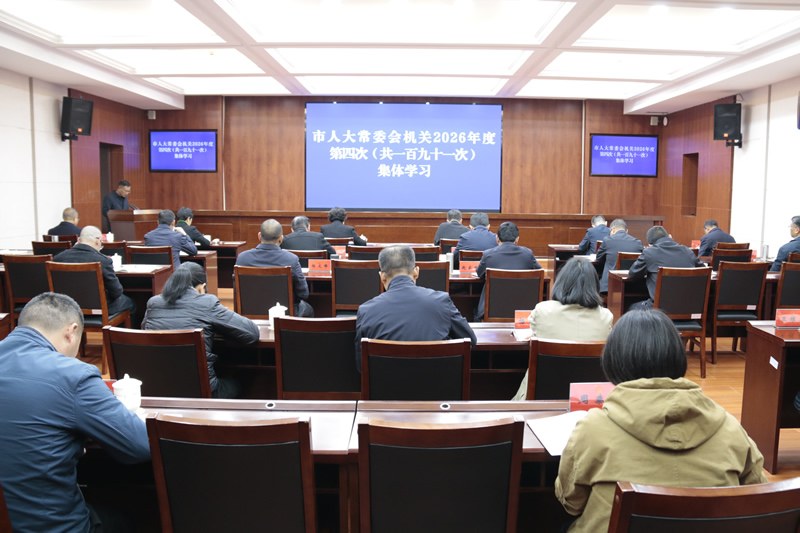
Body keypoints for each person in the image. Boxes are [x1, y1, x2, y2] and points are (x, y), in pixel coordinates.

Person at [555, 309, 767, 533]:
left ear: (613, 361)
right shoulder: (729, 428)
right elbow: (758, 496)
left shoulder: (593, 429)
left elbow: (571, 502)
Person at [0, 292, 150, 533]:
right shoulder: (72, 374)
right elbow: (140, 445)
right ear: (71, 332)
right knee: (135, 516)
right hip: (53, 527)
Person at [143, 262, 259, 399]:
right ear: (201, 287)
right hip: (202, 392)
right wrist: (219, 318)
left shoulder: (153, 303)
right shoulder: (207, 302)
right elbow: (252, 334)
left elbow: (145, 329)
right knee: (243, 379)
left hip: (158, 388)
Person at [354, 245, 477, 370]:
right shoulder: (442, 301)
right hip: (437, 381)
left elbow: (361, 365)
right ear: (416, 272)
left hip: (386, 382)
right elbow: (470, 340)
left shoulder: (366, 310)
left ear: (382, 277)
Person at [512, 258, 612, 401]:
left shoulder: (542, 310)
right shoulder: (605, 316)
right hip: (587, 399)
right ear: (594, 286)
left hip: (542, 396)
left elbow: (535, 329)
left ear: (561, 283)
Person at [235, 219, 314, 317]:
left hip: (250, 312)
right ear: (281, 239)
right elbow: (303, 294)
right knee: (308, 309)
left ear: (259, 236)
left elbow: (237, 291)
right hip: (285, 313)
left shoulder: (243, 258)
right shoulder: (291, 259)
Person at [54, 226, 137, 317]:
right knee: (130, 303)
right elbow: (116, 292)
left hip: (67, 307)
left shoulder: (58, 258)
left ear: (79, 240)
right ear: (98, 241)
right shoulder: (103, 261)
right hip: (100, 308)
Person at [475, 221, 541, 321]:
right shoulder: (528, 254)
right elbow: (539, 273)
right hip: (522, 310)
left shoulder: (488, 255)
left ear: (497, 239)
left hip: (493, 310)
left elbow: (479, 274)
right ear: (517, 239)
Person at [627, 225, 704, 310]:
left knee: (631, 307)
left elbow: (633, 274)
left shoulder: (649, 253)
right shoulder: (688, 252)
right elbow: (703, 271)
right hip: (689, 308)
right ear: (669, 236)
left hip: (659, 309)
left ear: (650, 244)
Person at [596, 218, 643, 293]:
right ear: (627, 231)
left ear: (612, 230)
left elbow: (598, 258)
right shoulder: (638, 242)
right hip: (633, 287)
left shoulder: (607, 240)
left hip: (609, 286)